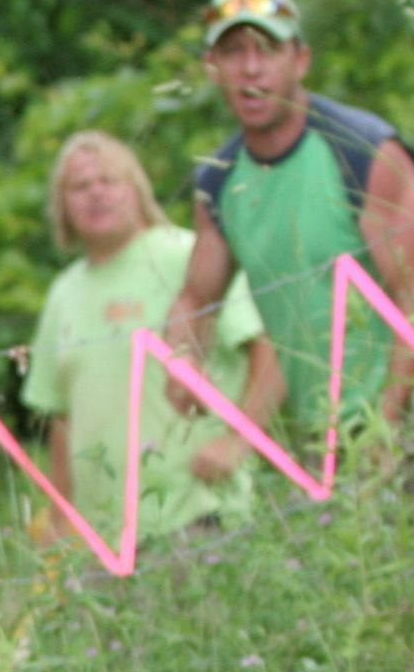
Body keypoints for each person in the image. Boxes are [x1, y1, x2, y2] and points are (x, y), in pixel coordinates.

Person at [163, 0, 414, 435]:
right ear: (213, 67)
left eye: (267, 49)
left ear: (301, 60)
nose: (251, 69)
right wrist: (182, 358)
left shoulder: (363, 150)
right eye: (234, 52)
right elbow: (196, 298)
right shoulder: (218, 181)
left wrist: (386, 426)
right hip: (333, 430)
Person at [25, 131, 279, 544]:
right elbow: (61, 417)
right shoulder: (63, 293)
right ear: (62, 205)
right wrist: (60, 515)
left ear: (138, 190)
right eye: (80, 186)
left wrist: (238, 443)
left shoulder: (187, 257)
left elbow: (269, 348)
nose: (96, 194)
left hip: (195, 518)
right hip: (101, 542)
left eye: (109, 180)